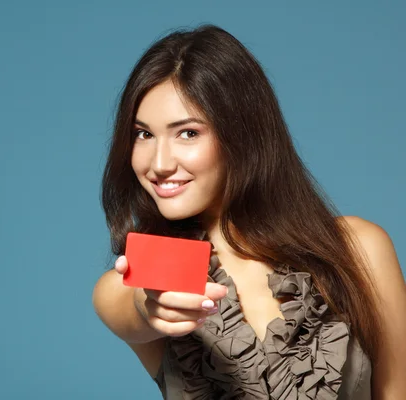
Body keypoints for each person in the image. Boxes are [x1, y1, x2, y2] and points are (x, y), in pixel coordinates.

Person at [92, 25, 406, 399]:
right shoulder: (145, 274)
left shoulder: (359, 248)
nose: (158, 163)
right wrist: (149, 308)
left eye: (188, 133)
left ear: (242, 133)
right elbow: (130, 308)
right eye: (143, 134)